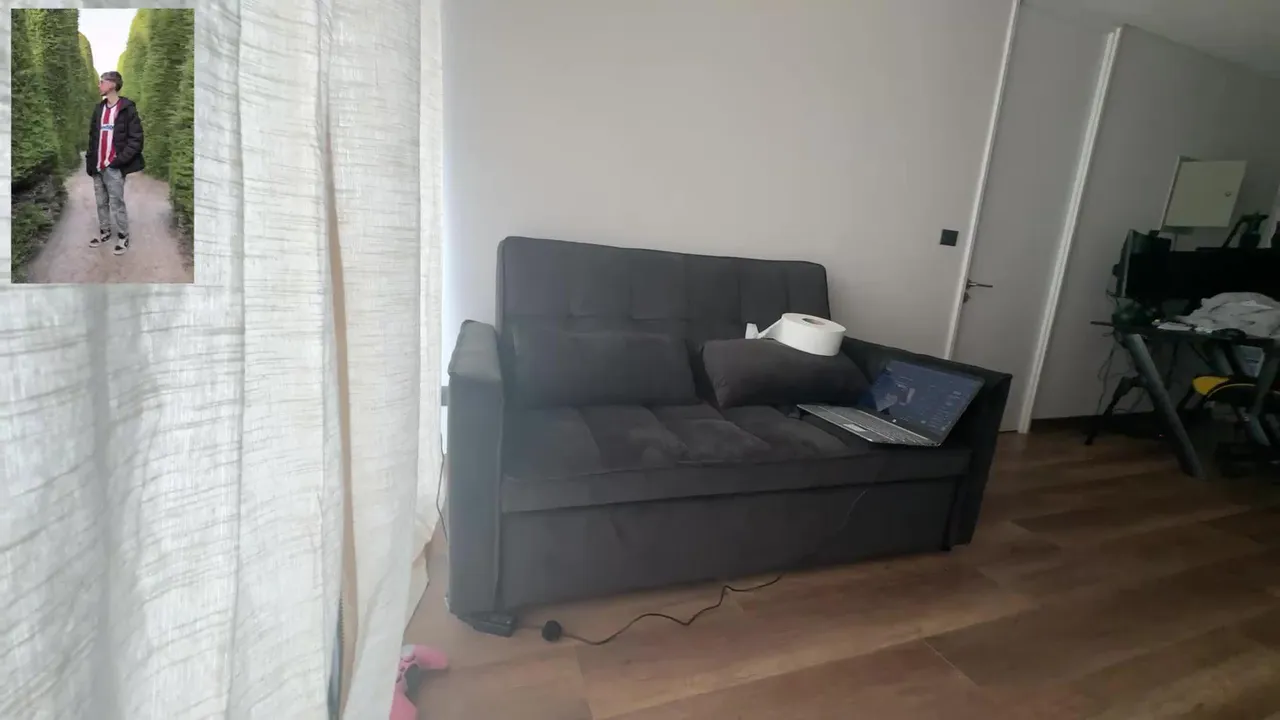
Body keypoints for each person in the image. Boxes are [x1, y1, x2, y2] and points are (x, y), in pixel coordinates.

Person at [86, 70, 145, 256]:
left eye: (102, 82)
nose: (99, 85)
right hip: (98, 166)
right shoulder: (99, 109)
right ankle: (104, 232)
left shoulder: (127, 109)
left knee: (117, 202)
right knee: (101, 202)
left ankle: (123, 236)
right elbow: (92, 138)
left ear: (112, 85)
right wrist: (90, 162)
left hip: (114, 167)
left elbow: (136, 139)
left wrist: (118, 162)